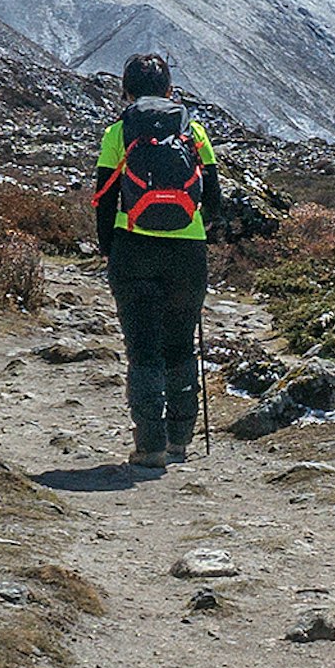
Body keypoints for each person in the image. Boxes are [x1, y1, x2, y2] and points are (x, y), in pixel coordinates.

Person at [92, 52, 220, 470]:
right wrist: (201, 234)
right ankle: (181, 440)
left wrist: (110, 250)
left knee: (143, 349)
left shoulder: (118, 132)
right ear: (170, 90)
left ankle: (150, 447)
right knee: (181, 345)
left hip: (134, 249)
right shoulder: (195, 132)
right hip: (188, 252)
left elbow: (103, 200)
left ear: (126, 90)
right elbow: (214, 198)